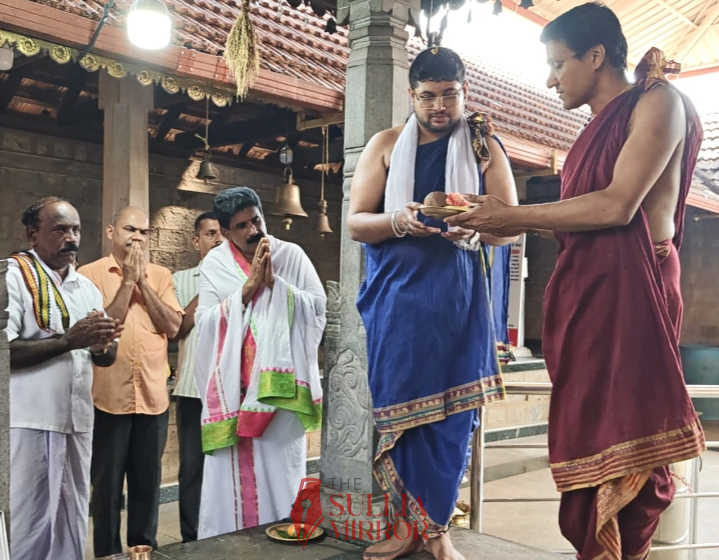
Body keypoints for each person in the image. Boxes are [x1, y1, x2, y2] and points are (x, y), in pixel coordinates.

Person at [446, 4, 705, 559]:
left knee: (630, 443)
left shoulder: (658, 102)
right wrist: (494, 222)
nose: (550, 80)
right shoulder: (592, 130)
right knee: (588, 437)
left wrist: (513, 216)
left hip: (635, 291)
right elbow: (579, 223)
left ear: (596, 56)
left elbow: (617, 206)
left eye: (558, 64)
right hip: (590, 295)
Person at [347, 47, 518, 560]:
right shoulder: (385, 145)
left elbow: (508, 228)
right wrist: (398, 221)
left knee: (451, 421)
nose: (439, 106)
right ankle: (406, 528)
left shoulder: (484, 147)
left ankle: (437, 531)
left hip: (457, 303)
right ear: (411, 95)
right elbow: (357, 223)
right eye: (428, 96)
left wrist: (475, 225)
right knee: (403, 415)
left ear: (464, 93)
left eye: (449, 95)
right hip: (397, 300)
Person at [194, 187, 325, 539]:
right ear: (225, 232)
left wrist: (277, 286)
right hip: (234, 394)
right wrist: (248, 289)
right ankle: (228, 546)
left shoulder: (291, 255)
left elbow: (318, 309)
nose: (253, 230)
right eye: (242, 226)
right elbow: (204, 323)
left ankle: (283, 543)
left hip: (279, 396)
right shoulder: (215, 264)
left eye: (256, 220)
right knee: (229, 484)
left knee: (281, 476)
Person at [5, 197, 121, 560]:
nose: (71, 238)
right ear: (33, 234)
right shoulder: (12, 277)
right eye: (59, 230)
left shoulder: (86, 287)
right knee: (27, 522)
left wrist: (101, 346)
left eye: (75, 230)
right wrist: (69, 340)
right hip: (28, 421)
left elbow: (106, 357)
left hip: (77, 421)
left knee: (72, 518)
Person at [78, 207, 184, 557]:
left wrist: (142, 282)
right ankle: (108, 555)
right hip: (107, 400)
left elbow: (173, 326)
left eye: (144, 231)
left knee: (147, 488)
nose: (138, 236)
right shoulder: (88, 275)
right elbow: (101, 329)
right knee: (106, 491)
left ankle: (144, 552)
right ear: (111, 231)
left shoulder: (161, 275)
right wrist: (127, 282)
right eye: (130, 229)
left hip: (153, 400)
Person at [170, 211, 223, 542]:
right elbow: (176, 329)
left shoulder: (243, 277)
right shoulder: (180, 280)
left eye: (223, 234)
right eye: (211, 233)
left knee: (228, 466)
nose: (219, 239)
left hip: (232, 389)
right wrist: (210, 283)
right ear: (196, 241)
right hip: (193, 389)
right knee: (193, 468)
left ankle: (226, 534)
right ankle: (191, 540)